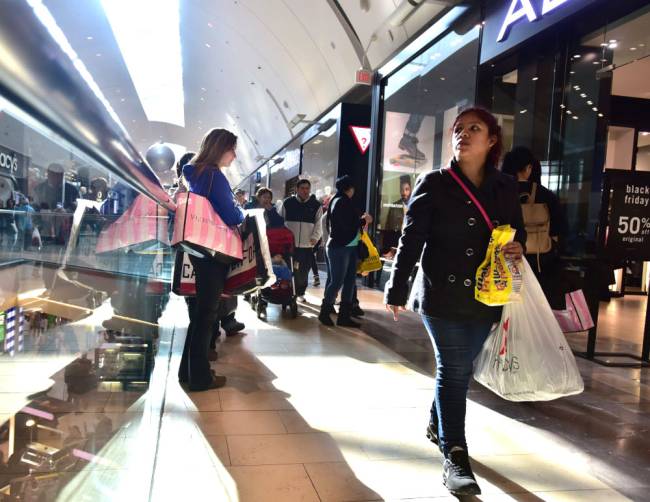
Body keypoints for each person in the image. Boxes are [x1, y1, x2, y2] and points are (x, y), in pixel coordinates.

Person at [384, 108, 525, 497]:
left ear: (492, 139)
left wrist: (517, 245)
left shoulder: (505, 187)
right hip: (440, 295)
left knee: (460, 367)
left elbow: (518, 232)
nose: (463, 134)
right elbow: (411, 242)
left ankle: (436, 422)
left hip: (486, 296)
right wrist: (396, 290)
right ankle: (455, 455)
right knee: (454, 367)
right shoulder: (434, 183)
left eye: (474, 129)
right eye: (458, 129)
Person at [178, 128, 244, 391]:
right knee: (207, 315)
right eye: (232, 149)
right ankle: (201, 378)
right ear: (220, 148)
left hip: (196, 249)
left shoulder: (194, 173)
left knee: (199, 315)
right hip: (213, 252)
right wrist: (240, 210)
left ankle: (188, 371)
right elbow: (231, 215)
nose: (235, 155)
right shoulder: (214, 176)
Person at [502, 146, 567, 307]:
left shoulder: (499, 193)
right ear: (528, 168)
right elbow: (560, 228)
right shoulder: (546, 195)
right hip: (541, 261)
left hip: (506, 259)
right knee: (536, 310)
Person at [319, 175, 372, 328]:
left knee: (349, 282)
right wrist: (363, 220)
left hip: (347, 247)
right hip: (340, 248)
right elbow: (343, 224)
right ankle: (324, 313)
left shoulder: (339, 200)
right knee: (337, 281)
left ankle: (344, 316)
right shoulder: (341, 201)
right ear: (350, 188)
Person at [279, 179, 323, 302]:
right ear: (297, 189)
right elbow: (280, 221)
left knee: (303, 271)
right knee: (288, 269)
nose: (305, 191)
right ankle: (288, 291)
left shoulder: (316, 205)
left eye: (307, 188)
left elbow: (319, 224)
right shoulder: (287, 203)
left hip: (306, 245)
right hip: (289, 245)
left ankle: (300, 292)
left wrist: (315, 237)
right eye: (302, 188)